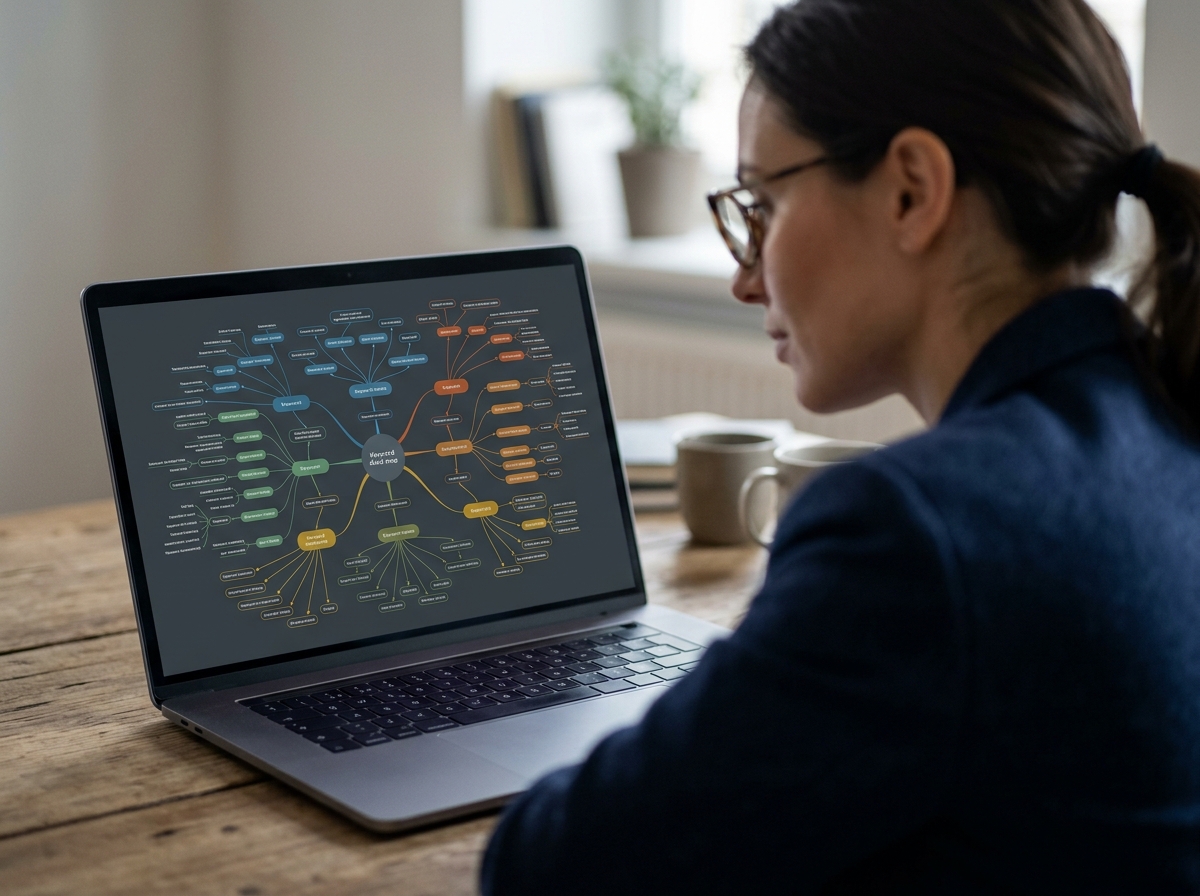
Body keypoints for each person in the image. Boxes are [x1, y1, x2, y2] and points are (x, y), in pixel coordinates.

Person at [480, 0, 1200, 891]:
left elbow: (552, 867)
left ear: (912, 190)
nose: (747, 278)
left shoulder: (913, 537)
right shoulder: (1169, 421)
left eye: (765, 204)